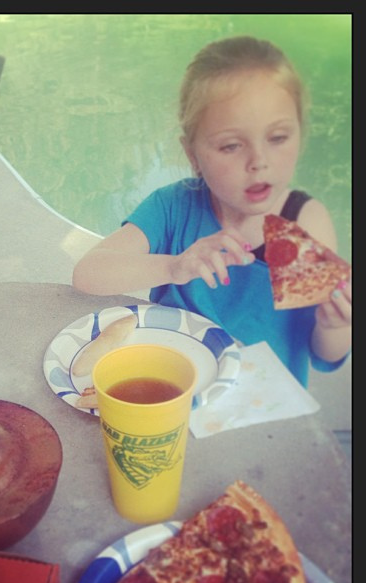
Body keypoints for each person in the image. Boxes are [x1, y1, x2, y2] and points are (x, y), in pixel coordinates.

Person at [72, 36, 351, 387]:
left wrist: (336, 325)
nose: (259, 162)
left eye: (278, 138)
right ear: (192, 155)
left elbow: (324, 355)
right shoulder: (174, 206)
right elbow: (88, 274)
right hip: (172, 387)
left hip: (262, 404)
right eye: (231, 145)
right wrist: (173, 266)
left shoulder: (302, 224)